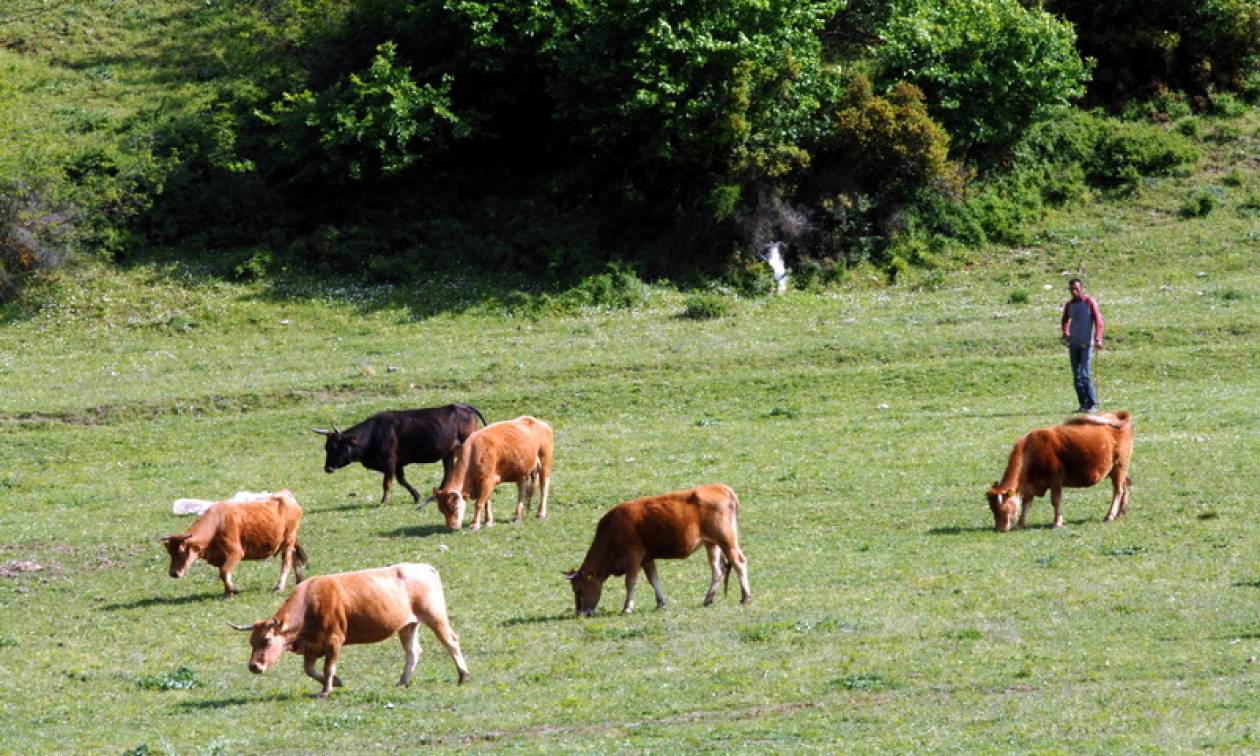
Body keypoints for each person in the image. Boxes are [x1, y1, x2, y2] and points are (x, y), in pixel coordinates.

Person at [1061, 277, 1104, 413]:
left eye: (1076, 289)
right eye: (1071, 289)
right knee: (1076, 376)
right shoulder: (1069, 305)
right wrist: (1066, 332)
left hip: (1086, 344)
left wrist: (1098, 338)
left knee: (1084, 373)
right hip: (1074, 344)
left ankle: (1092, 404)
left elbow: (1098, 321)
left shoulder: (1089, 302)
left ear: (1082, 288)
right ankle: (1083, 404)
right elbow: (1064, 320)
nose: (1074, 291)